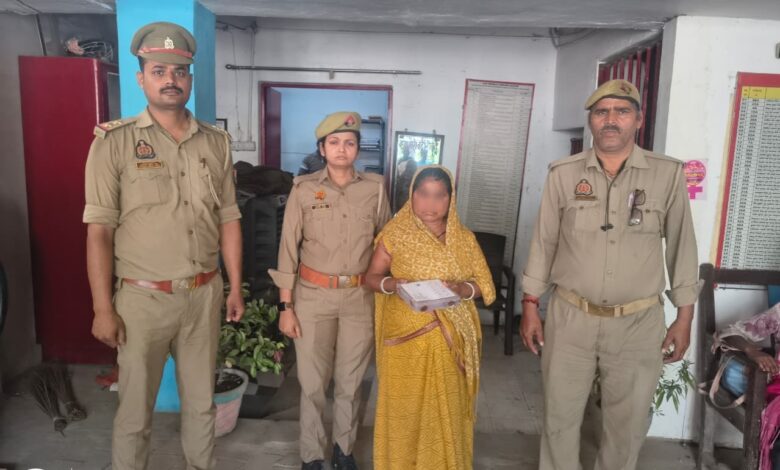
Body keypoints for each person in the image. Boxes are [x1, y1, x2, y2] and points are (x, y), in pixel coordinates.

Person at [83, 22, 244, 470]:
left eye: (179, 71)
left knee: (201, 407)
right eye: (159, 71)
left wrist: (234, 287)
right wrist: (102, 308)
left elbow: (229, 217)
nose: (171, 79)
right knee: (135, 414)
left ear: (189, 77)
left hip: (203, 295)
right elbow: (99, 230)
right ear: (141, 79)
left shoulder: (215, 142)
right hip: (143, 300)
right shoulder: (114, 142)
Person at [520, 79, 699, 470]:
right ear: (591, 121)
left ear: (638, 120)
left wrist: (684, 318)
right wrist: (530, 304)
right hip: (571, 318)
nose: (611, 120)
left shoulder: (666, 174)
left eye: (622, 111)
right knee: (558, 419)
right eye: (602, 112)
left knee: (626, 426)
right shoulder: (564, 174)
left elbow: (682, 246)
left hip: (637, 323)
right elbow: (544, 241)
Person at [268, 111, 391, 470]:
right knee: (312, 383)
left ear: (357, 149)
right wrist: (285, 307)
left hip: (359, 298)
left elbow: (387, 244)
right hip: (312, 297)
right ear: (322, 149)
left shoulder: (375, 189)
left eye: (349, 143)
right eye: (334, 142)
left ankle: (343, 450)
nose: (342, 149)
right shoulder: (303, 189)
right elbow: (287, 249)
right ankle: (312, 455)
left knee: (351, 382)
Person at [365, 166, 495, 470]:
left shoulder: (464, 239)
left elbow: (486, 286)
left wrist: (463, 289)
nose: (430, 204)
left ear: (451, 199)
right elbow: (371, 277)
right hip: (404, 342)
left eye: (439, 195)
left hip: (450, 344)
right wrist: (393, 284)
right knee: (405, 411)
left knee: (445, 409)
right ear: (412, 195)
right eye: (423, 194)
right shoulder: (395, 234)